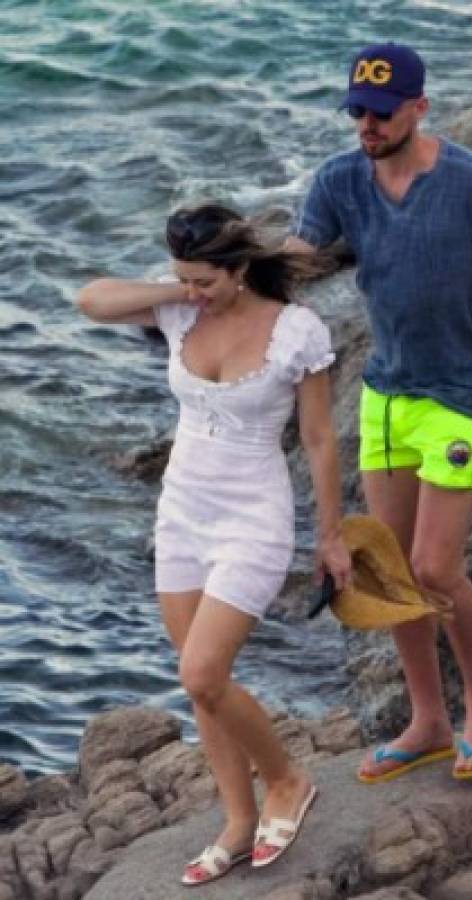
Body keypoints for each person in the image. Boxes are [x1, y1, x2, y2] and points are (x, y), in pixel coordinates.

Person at [287, 42, 472, 781]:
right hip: (385, 398)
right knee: (389, 572)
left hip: (461, 398)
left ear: (419, 107)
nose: (366, 126)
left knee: (435, 568)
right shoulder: (340, 180)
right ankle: (429, 720)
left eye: (380, 113)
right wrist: (218, 275)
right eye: (357, 111)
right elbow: (298, 258)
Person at [77, 203, 352, 884]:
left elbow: (318, 439)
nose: (193, 292)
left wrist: (331, 535)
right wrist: (179, 290)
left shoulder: (295, 331)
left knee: (202, 673)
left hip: (252, 517)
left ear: (239, 270)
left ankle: (286, 780)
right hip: (181, 514)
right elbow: (91, 301)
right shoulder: (180, 311)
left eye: (204, 280)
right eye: (184, 278)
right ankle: (237, 819)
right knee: (202, 687)